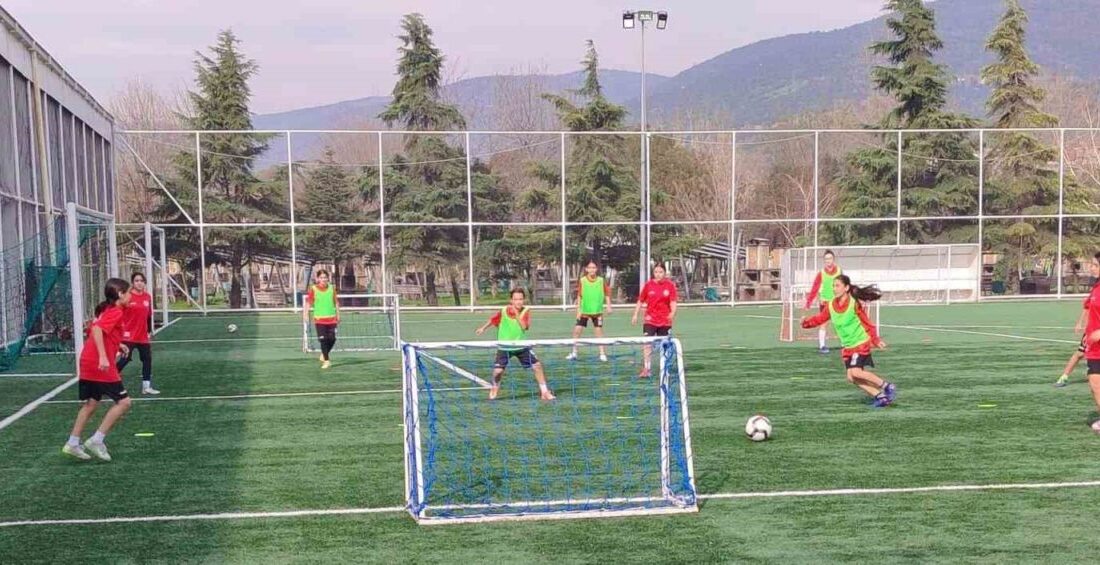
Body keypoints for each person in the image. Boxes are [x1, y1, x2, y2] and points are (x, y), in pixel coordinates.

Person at [62, 278, 134, 461]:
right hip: (97, 364)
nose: (131, 295)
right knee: (124, 402)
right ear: (120, 294)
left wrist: (118, 346)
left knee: (92, 404)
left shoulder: (108, 310)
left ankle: (72, 443)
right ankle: (97, 440)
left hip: (88, 361)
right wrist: (103, 356)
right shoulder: (115, 311)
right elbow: (97, 331)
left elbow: (98, 330)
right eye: (129, 292)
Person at [801, 274, 897, 408]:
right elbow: (820, 319)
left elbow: (867, 323)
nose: (835, 288)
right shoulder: (831, 305)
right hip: (847, 347)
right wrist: (806, 323)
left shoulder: (854, 303)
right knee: (851, 377)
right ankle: (880, 397)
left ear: (846, 288)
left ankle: (887, 386)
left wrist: (875, 339)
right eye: (833, 286)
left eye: (838, 285)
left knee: (856, 372)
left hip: (860, 343)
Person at [475, 288, 555, 401]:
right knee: (498, 372)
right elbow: (493, 320)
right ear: (511, 300)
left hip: (521, 346)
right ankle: (495, 386)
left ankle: (544, 391)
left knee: (537, 366)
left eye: (521, 299)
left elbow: (524, 327)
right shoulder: (503, 310)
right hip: (505, 347)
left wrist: (517, 313)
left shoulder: (526, 311)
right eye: (516, 299)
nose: (518, 302)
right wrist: (483, 328)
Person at [631, 263, 678, 378]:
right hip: (650, 319)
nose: (658, 274)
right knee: (647, 344)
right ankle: (647, 369)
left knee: (664, 345)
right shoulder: (649, 285)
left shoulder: (670, 286)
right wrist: (635, 314)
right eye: (656, 272)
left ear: (665, 273)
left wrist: (672, 313)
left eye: (660, 272)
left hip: (665, 320)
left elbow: (673, 302)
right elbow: (640, 300)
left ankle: (665, 369)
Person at [116, 272, 158, 395]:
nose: (139, 283)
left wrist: (150, 331)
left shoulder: (147, 297)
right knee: (125, 359)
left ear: (144, 282)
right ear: (133, 283)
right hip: (128, 335)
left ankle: (146, 386)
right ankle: (107, 382)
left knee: (147, 359)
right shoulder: (127, 297)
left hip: (142, 336)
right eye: (136, 281)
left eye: (141, 280)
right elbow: (118, 314)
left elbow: (148, 316)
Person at [568, 259, 612, 362]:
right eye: (590, 267)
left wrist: (609, 306)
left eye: (594, 267)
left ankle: (602, 353)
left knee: (599, 332)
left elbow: (607, 293)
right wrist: (578, 310)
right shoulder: (583, 280)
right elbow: (579, 296)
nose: (592, 269)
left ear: (596, 269)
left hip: (597, 311)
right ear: (586, 269)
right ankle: (574, 352)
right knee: (577, 331)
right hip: (585, 311)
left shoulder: (601, 280)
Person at [804, 249, 842, 354]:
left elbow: (843, 285)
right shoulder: (821, 273)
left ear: (833, 259)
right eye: (826, 259)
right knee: (823, 324)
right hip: (825, 302)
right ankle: (822, 346)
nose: (828, 261)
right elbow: (815, 288)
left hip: (837, 302)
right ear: (824, 261)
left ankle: (846, 344)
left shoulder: (839, 271)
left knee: (841, 323)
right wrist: (809, 303)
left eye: (830, 258)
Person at [303, 270, 339, 369]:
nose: (323, 279)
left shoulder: (332, 288)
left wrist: (338, 315)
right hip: (320, 319)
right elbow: (308, 303)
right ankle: (327, 361)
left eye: (325, 277)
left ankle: (324, 354)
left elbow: (336, 302)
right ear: (318, 279)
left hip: (331, 318)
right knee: (323, 340)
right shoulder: (314, 289)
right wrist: (305, 314)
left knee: (332, 339)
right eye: (321, 277)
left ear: (328, 278)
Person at [1081, 252, 1100, 433]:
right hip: (1095, 347)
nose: (1092, 268)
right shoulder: (1096, 287)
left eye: (1095, 264)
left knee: (1095, 381)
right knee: (1094, 383)